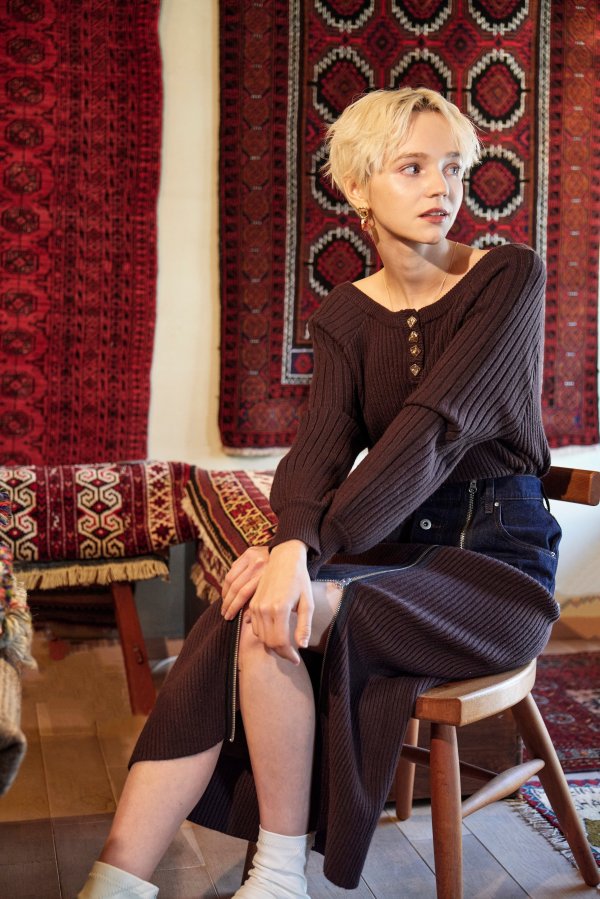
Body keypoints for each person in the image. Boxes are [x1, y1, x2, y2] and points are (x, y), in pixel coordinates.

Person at [78, 87, 561, 898]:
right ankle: (118, 878)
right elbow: (319, 449)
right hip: (394, 550)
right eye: (413, 167)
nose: (442, 187)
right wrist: (286, 546)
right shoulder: (345, 313)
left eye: (453, 167)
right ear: (358, 186)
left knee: (286, 605)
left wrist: (298, 551)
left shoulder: (508, 276)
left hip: (495, 568)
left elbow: (433, 431)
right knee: (247, 609)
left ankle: (276, 874)